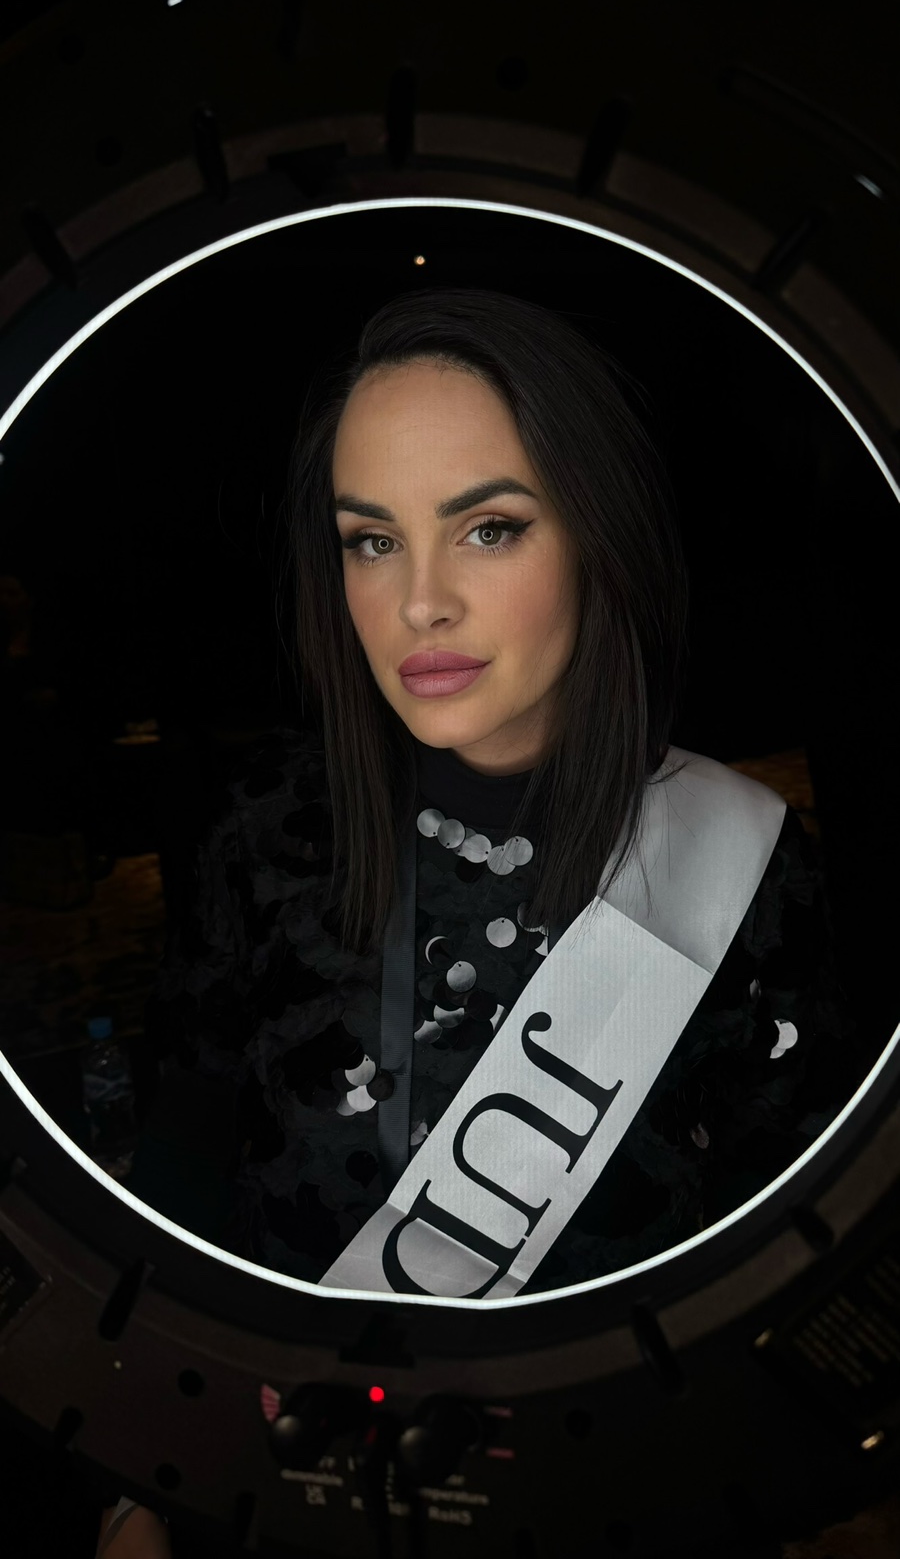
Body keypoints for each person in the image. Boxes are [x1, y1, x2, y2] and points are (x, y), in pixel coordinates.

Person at [105, 286, 865, 1549]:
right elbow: (180, 1184)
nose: (420, 603)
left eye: (490, 528)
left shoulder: (757, 875)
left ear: (599, 533)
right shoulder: (265, 836)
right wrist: (145, 1473)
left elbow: (799, 1290)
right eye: (372, 539)